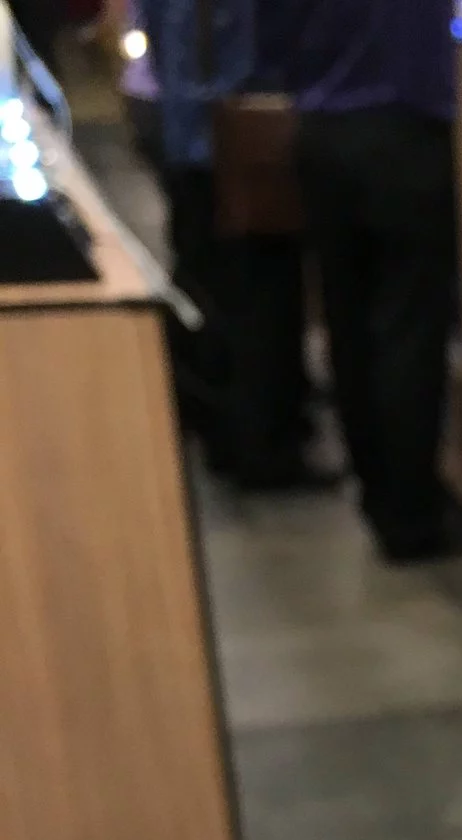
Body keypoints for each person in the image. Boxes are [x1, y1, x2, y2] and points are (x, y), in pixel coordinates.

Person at [283, 0, 462, 563]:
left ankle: (378, 499)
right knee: (410, 330)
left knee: (349, 325)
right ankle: (413, 516)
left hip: (318, 130)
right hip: (404, 128)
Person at [129, 0, 326, 487]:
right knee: (260, 297)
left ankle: (219, 425)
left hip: (187, 130)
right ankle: (263, 445)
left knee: (205, 284)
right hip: (234, 136)